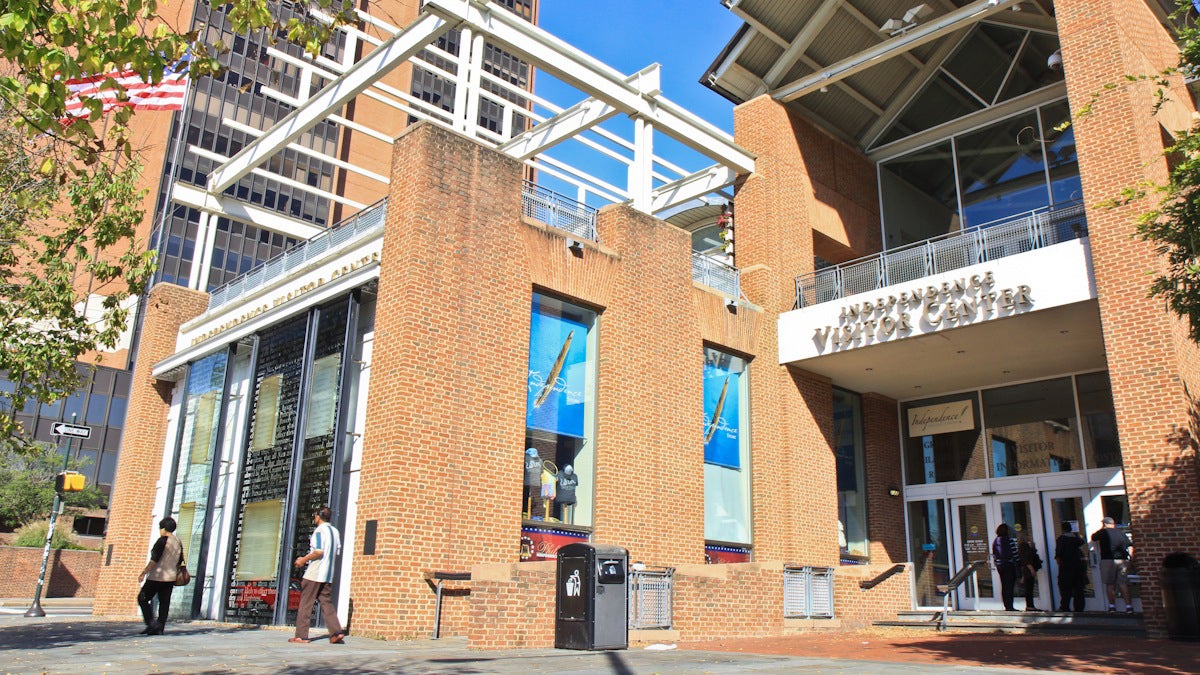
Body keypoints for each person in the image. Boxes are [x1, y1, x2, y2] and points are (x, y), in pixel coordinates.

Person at [290, 507, 346, 644]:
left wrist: (302, 560)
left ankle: (301, 636)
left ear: (318, 517)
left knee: (306, 603)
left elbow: (319, 551)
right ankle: (336, 632)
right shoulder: (335, 531)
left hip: (315, 572)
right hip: (328, 573)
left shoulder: (319, 531)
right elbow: (336, 551)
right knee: (326, 602)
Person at [137, 516, 183, 635]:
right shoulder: (178, 541)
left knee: (142, 598)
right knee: (164, 602)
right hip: (171, 577)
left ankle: (151, 623)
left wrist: (144, 573)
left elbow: (154, 560)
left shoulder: (162, 540)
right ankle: (160, 627)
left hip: (157, 576)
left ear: (163, 528)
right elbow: (180, 560)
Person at [1091, 516, 1134, 613]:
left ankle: (1112, 606)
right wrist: (1131, 558)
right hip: (1123, 560)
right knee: (1123, 584)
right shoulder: (1121, 533)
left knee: (1110, 584)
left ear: (1104, 524)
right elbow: (1130, 545)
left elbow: (1093, 538)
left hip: (1108, 560)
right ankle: (1129, 606)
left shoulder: (1103, 532)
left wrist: (1103, 529)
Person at [1054, 521, 1087, 612]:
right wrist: (1077, 534)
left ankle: (1065, 606)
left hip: (1066, 566)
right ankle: (1079, 607)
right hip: (1078, 566)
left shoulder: (1061, 539)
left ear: (1062, 529)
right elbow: (1081, 541)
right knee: (1078, 588)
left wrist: (1060, 564)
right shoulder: (1077, 540)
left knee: (1065, 588)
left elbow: (1058, 554)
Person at [992, 523, 1019, 611]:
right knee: (1010, 585)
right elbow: (1015, 553)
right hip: (1009, 564)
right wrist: (1018, 562)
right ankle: (1010, 606)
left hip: (1000, 565)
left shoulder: (996, 541)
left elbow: (994, 554)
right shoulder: (1009, 540)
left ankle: (1007, 605)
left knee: (1004, 585)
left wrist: (996, 562)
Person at [1017, 536, 1043, 611]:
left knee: (1029, 588)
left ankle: (1030, 605)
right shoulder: (1024, 546)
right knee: (1029, 588)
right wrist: (1032, 570)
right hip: (1028, 570)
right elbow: (1026, 559)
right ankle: (1030, 606)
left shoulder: (1023, 547)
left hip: (1026, 570)